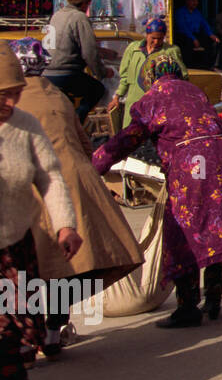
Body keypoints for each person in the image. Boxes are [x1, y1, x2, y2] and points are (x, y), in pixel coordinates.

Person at [92, 54, 222, 327]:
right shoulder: (195, 92)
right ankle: (213, 299)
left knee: (181, 235)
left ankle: (188, 307)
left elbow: (128, 139)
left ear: (149, 77)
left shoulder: (153, 98)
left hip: (193, 172)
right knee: (219, 231)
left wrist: (94, 164)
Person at [11, 39, 142, 357]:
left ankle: (27, 341)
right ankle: (53, 335)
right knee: (64, 267)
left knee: (30, 268)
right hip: (75, 183)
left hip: (38, 188)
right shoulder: (56, 95)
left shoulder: (13, 101)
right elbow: (84, 145)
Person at [0, 48, 82, 380]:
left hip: (15, 250)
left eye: (13, 92)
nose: (8, 101)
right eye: (0, 93)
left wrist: (65, 225)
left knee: (15, 335)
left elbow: (49, 177)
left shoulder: (26, 125)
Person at [43, 0, 107, 123]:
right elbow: (89, 51)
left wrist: (105, 53)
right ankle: (77, 124)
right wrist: (101, 72)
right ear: (85, 3)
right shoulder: (79, 18)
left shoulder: (57, 15)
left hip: (47, 72)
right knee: (97, 89)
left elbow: (66, 42)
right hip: (66, 73)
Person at [110, 18, 187, 122]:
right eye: (153, 38)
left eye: (160, 38)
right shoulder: (133, 49)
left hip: (158, 105)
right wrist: (117, 97)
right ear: (147, 34)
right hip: (134, 102)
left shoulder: (171, 51)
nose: (156, 42)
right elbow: (125, 77)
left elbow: (182, 77)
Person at [175, 0, 220, 70]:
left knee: (213, 42)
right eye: (193, 1)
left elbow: (204, 24)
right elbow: (183, 27)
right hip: (185, 35)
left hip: (196, 34)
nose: (195, 3)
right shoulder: (180, 12)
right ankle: (189, 66)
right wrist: (193, 39)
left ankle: (210, 66)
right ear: (187, 1)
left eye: (196, 1)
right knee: (187, 43)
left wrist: (211, 34)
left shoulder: (197, 12)